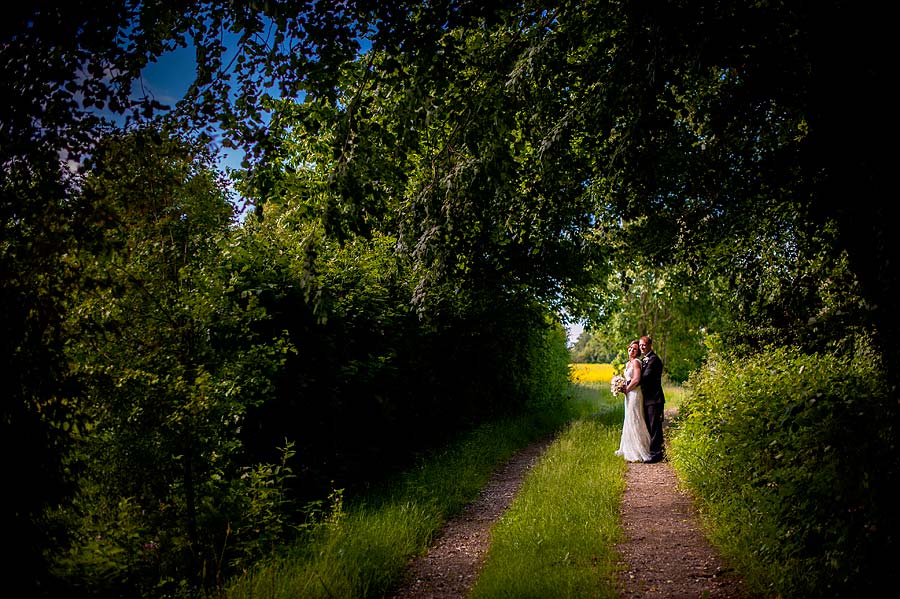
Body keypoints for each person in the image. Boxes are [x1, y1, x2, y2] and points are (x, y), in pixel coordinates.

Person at [615, 340, 653, 463]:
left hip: (635, 394)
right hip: (629, 394)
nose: (631, 350)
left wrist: (626, 389)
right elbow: (629, 379)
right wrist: (620, 386)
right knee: (629, 419)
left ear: (637, 352)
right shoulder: (628, 363)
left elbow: (636, 379)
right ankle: (628, 447)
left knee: (635, 418)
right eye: (630, 348)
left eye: (635, 349)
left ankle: (640, 449)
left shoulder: (636, 362)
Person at [639, 335, 666, 463]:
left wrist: (631, 382)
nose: (641, 347)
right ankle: (656, 451)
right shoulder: (644, 359)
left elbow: (646, 376)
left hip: (655, 399)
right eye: (640, 345)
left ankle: (656, 453)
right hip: (647, 399)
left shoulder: (654, 359)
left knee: (655, 426)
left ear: (650, 345)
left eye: (643, 345)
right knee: (650, 426)